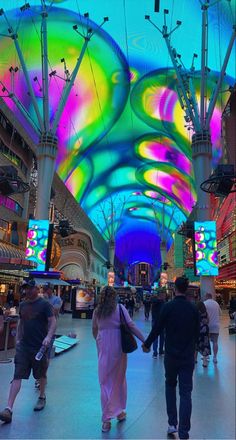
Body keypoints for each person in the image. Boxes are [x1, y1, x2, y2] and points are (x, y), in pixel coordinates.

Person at [142, 277, 199, 440]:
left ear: (175, 289)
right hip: (187, 356)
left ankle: (172, 423)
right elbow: (197, 333)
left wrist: (147, 344)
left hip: (171, 356)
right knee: (186, 393)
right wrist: (196, 352)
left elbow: (157, 328)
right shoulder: (193, 309)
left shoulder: (168, 307)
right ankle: (184, 432)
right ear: (187, 289)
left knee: (170, 386)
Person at [0, 279, 56, 424]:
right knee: (17, 375)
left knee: (41, 374)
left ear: (36, 289)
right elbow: (21, 322)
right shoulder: (23, 304)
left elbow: (52, 321)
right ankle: (9, 408)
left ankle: (42, 396)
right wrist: (18, 339)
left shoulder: (44, 305)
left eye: (30, 289)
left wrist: (49, 337)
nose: (27, 291)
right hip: (24, 347)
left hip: (39, 347)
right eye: (25, 289)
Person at [92, 285, 145, 433]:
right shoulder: (120, 308)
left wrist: (99, 343)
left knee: (104, 382)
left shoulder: (97, 311)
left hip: (103, 347)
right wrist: (145, 340)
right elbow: (132, 326)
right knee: (118, 380)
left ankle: (106, 421)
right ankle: (119, 411)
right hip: (119, 347)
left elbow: (94, 330)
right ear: (114, 296)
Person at [204, 292, 221, 363]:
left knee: (206, 342)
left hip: (207, 326)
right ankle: (215, 357)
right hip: (216, 325)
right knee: (215, 342)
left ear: (206, 297)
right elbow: (220, 313)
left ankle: (206, 356)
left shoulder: (204, 303)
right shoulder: (216, 304)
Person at [151, 291, 165, 358]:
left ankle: (160, 351)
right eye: (163, 295)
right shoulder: (156, 301)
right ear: (160, 295)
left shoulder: (163, 302)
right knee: (157, 337)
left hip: (161, 322)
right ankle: (156, 352)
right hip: (157, 321)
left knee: (161, 337)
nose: (164, 296)